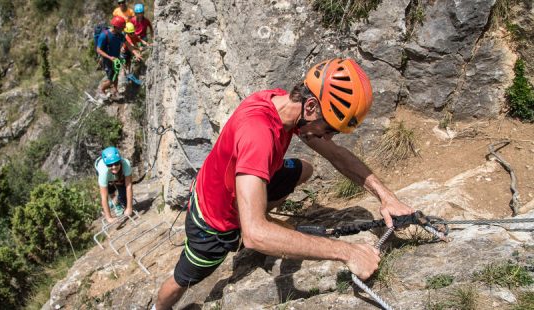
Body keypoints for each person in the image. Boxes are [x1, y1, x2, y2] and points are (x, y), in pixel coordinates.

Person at [153, 58, 415, 309]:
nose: (329, 137)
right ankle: (158, 308)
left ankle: (258, 213)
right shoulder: (258, 135)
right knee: (182, 280)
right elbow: (254, 236)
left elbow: (337, 156)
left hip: (238, 179)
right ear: (311, 107)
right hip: (212, 220)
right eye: (330, 129)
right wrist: (347, 252)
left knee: (304, 169)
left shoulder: (284, 105)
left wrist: (386, 197)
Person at [96, 146, 134, 224]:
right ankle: (116, 204)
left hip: (119, 174)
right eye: (110, 165)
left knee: (122, 189)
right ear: (106, 164)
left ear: (120, 161)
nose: (114, 167)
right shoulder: (103, 172)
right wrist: (109, 218)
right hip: (106, 174)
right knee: (111, 191)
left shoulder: (125, 164)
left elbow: (129, 186)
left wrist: (129, 207)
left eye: (116, 163)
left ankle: (121, 201)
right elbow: (104, 197)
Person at [96, 16, 126, 98]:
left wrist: (134, 51)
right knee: (110, 79)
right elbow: (98, 50)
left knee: (116, 75)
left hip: (116, 59)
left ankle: (115, 91)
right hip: (107, 60)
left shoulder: (119, 35)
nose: (123, 30)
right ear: (115, 27)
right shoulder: (104, 35)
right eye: (121, 28)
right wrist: (110, 58)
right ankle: (101, 90)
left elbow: (127, 44)